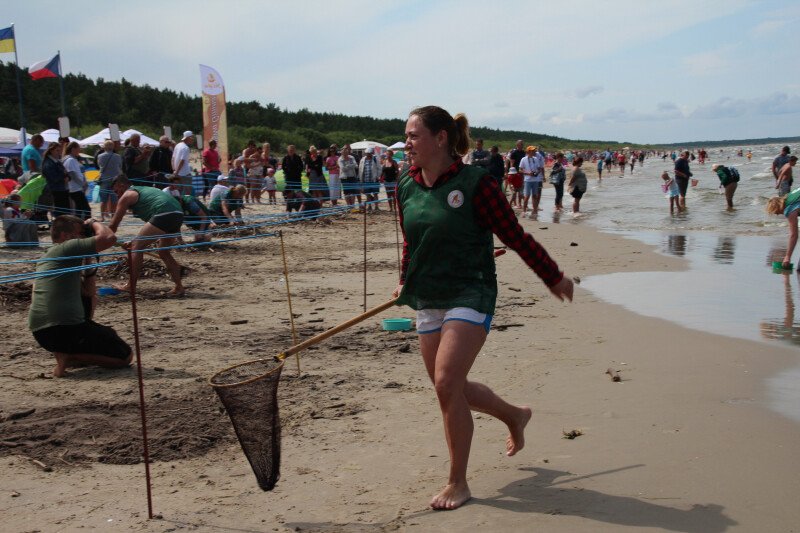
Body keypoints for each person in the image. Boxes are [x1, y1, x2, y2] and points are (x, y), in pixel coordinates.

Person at [394, 106, 573, 510]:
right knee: (451, 389)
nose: (407, 143)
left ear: (440, 138)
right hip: (429, 294)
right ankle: (514, 414)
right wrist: (405, 278)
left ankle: (458, 482)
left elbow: (514, 234)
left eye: (413, 135)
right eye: (406, 136)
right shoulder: (405, 183)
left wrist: (552, 276)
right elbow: (410, 241)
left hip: (471, 290)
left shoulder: (477, 184)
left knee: (445, 383)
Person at [28, 215, 131, 377]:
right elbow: (109, 238)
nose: (83, 237)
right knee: (125, 356)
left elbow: (89, 294)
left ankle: (67, 354)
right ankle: (68, 356)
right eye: (80, 233)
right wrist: (93, 222)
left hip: (43, 333)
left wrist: (89, 257)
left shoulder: (49, 256)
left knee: (102, 328)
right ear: (65, 236)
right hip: (64, 329)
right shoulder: (67, 247)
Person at [108, 175, 185, 296]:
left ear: (120, 185)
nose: (117, 195)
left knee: (136, 248)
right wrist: (135, 241)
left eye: (116, 191)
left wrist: (100, 238)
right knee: (163, 252)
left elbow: (113, 225)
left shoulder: (128, 195)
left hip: (164, 212)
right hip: (178, 214)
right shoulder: (143, 190)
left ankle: (130, 286)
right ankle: (179, 287)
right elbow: (153, 228)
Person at [767, 187, 800, 270]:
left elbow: (793, 235)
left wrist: (787, 257)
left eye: (776, 212)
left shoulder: (789, 209)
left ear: (778, 207)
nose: (778, 214)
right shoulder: (789, 196)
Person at [62, 141, 90, 220]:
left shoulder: (69, 159)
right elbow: (72, 174)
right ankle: (85, 226)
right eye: (78, 149)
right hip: (75, 189)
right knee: (86, 210)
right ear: (73, 149)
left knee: (79, 209)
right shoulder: (70, 160)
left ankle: (79, 225)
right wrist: (82, 184)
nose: (79, 151)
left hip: (74, 188)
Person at [41, 142, 70, 215]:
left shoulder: (57, 161)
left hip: (62, 189)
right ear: (51, 151)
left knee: (65, 211)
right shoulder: (48, 163)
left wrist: (67, 177)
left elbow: (66, 173)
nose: (59, 152)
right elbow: (53, 178)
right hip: (54, 191)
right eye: (57, 150)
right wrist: (64, 177)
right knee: (60, 212)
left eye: (60, 150)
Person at [97, 140, 122, 221]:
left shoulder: (100, 156)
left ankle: (102, 216)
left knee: (103, 200)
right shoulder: (118, 156)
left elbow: (100, 166)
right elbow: (120, 166)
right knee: (114, 199)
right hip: (115, 180)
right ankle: (113, 216)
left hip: (104, 179)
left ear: (104, 147)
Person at [518, 145, 543, 218]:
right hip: (528, 180)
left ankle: (535, 210)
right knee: (527, 196)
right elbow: (520, 170)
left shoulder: (536, 158)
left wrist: (537, 173)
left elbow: (539, 168)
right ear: (528, 151)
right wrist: (528, 173)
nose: (534, 151)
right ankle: (524, 211)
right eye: (532, 150)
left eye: (534, 150)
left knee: (535, 196)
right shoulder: (523, 159)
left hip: (535, 180)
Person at [281, 144, 304, 211]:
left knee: (298, 191)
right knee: (288, 192)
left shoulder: (298, 157)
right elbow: (283, 167)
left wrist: (298, 171)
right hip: (289, 177)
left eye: (293, 150)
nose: (291, 151)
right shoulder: (285, 157)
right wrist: (287, 171)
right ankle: (289, 208)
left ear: (294, 150)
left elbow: (301, 166)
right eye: (290, 150)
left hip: (297, 177)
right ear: (288, 150)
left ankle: (298, 206)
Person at [358, 147, 381, 212]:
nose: (368, 155)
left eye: (369, 153)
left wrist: (377, 176)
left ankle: (376, 206)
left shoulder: (375, 159)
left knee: (375, 193)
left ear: (372, 153)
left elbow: (379, 168)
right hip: (365, 180)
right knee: (367, 194)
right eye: (367, 153)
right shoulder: (363, 159)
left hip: (374, 180)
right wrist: (360, 179)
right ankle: (369, 206)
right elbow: (360, 169)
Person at [171, 131, 194, 195]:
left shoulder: (177, 145)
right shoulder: (186, 148)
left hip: (178, 173)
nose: (192, 139)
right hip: (185, 174)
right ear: (188, 138)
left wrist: (174, 170)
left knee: (178, 192)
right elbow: (182, 161)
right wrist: (176, 172)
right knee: (187, 194)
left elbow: (172, 159)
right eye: (191, 137)